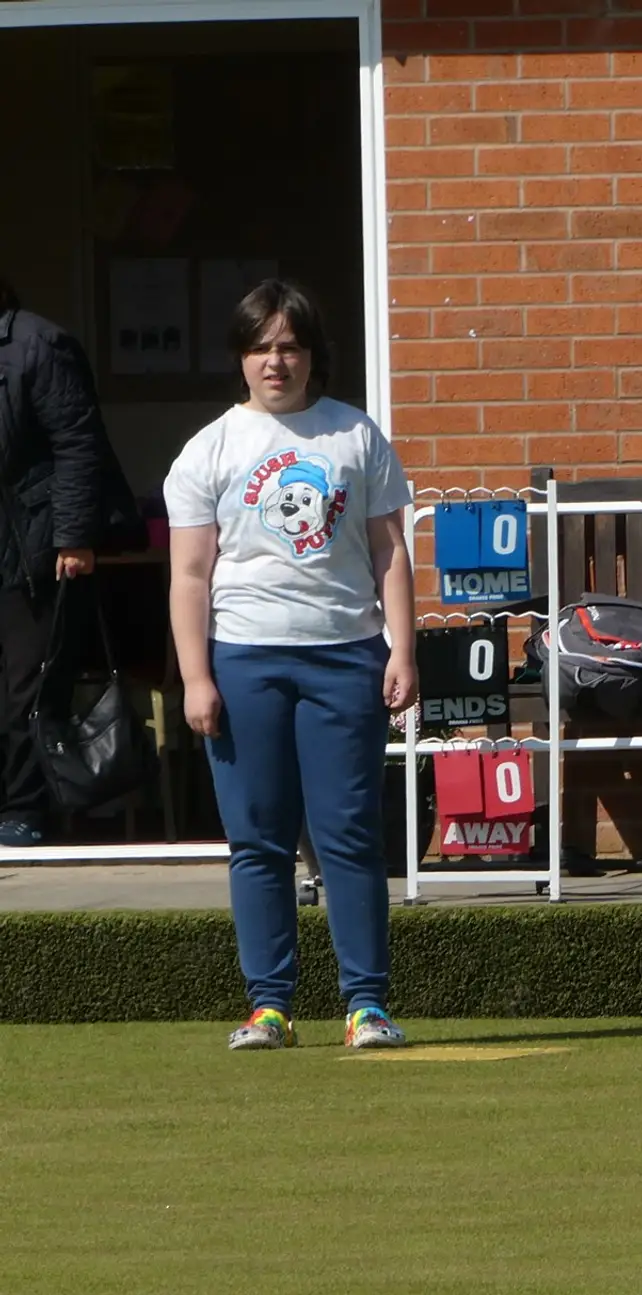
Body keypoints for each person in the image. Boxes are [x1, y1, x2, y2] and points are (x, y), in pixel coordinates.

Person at [165, 279, 417, 1051]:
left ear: (312, 354)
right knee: (259, 837)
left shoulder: (356, 436)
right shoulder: (208, 449)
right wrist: (196, 677)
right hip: (245, 661)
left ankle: (366, 1006)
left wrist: (403, 647)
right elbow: (190, 575)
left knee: (349, 834)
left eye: (289, 346)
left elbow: (388, 549)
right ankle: (268, 1006)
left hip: (346, 656)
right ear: (241, 359)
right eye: (261, 347)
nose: (276, 362)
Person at [0, 278, 141, 847]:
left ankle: (24, 809)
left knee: (26, 686)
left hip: (32, 546)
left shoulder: (38, 344)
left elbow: (78, 445)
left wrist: (73, 539)